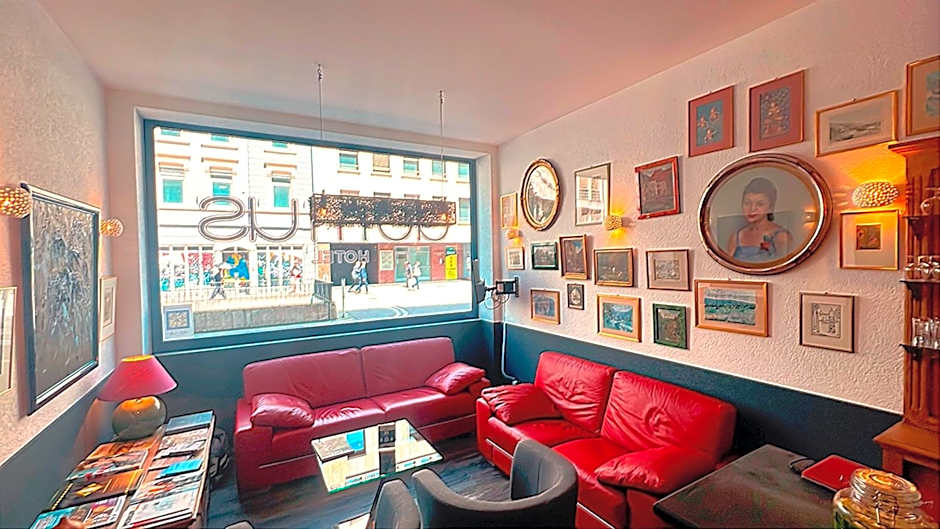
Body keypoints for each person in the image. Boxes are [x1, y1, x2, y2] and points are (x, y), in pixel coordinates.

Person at [726, 177, 793, 262]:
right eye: (747, 203)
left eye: (760, 204)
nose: (752, 209)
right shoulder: (736, 236)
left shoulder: (781, 236)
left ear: (770, 207)